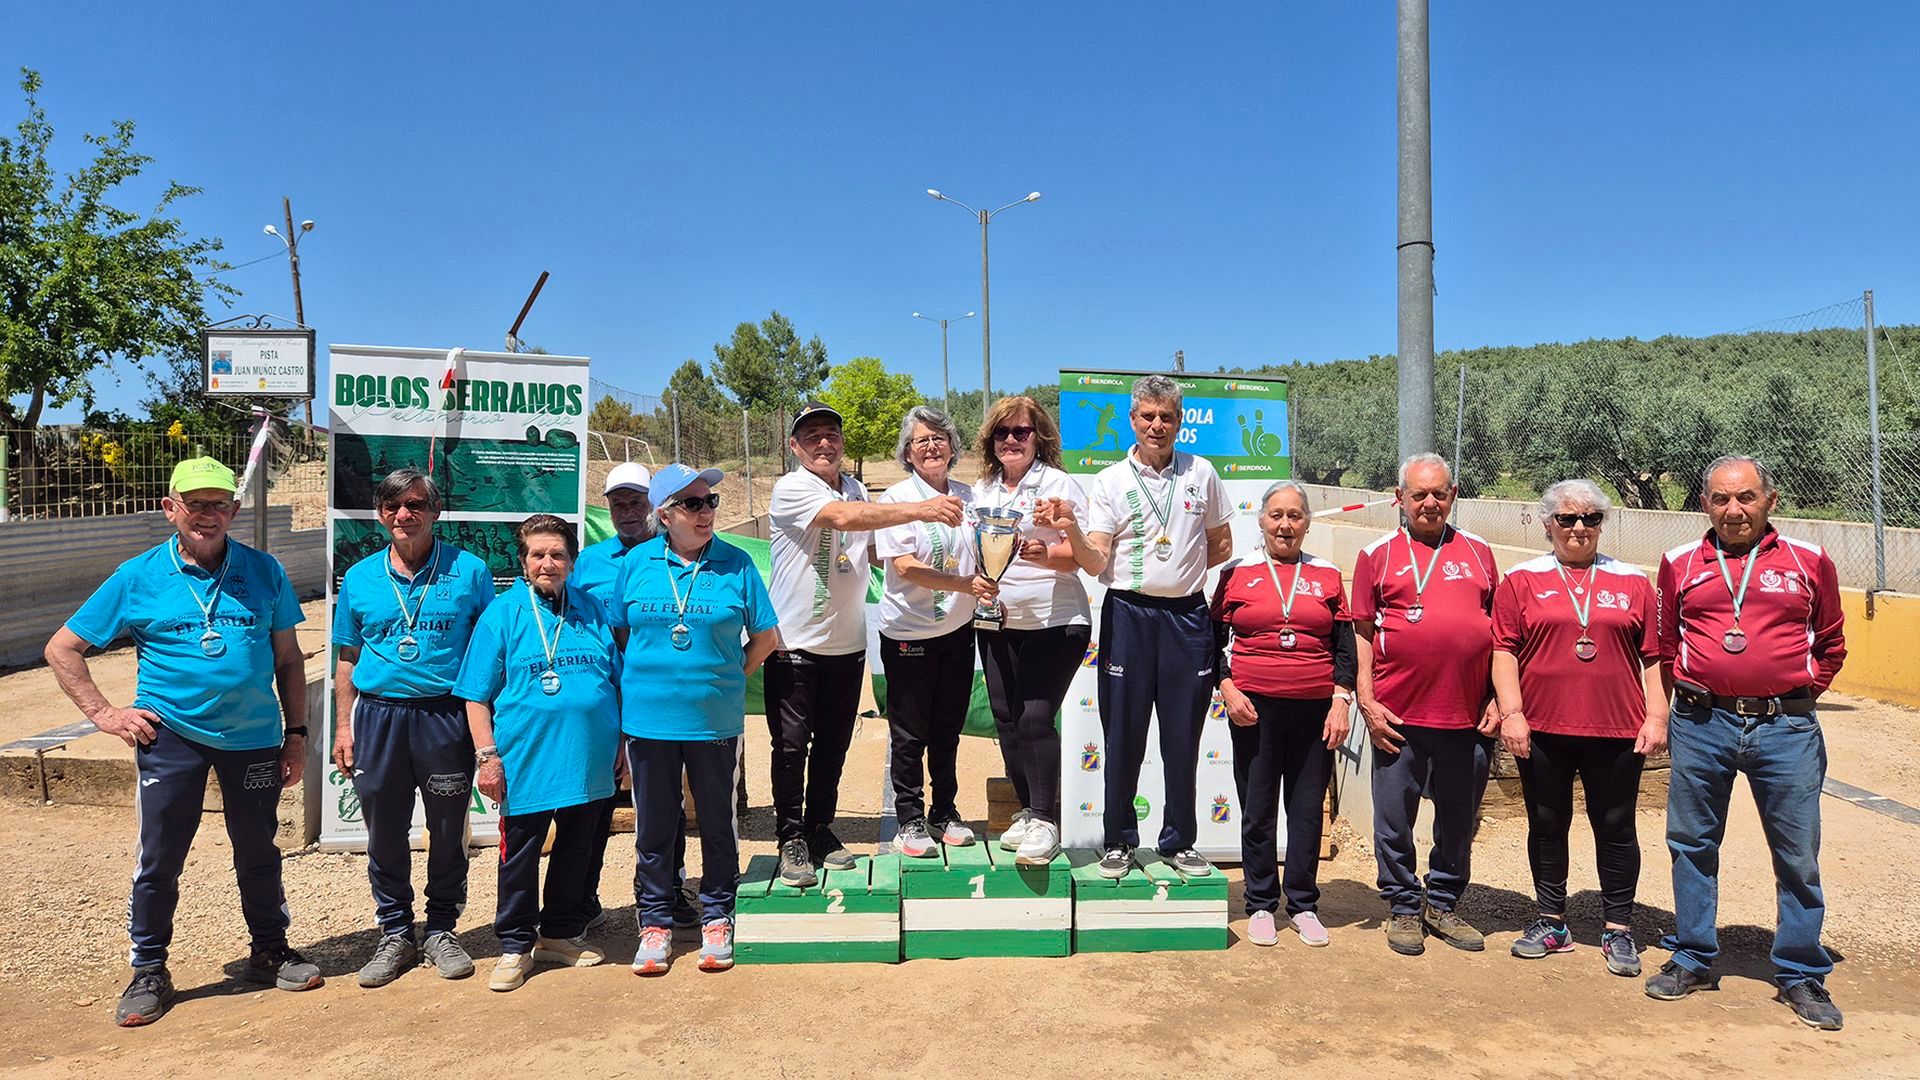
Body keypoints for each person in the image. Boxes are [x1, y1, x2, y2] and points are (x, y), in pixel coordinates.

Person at [44, 457, 320, 1027]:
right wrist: (104, 714)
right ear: (172, 509)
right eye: (196, 504)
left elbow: (289, 658)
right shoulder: (137, 575)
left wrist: (296, 735)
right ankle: (149, 969)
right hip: (171, 736)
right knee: (161, 857)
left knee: (259, 849)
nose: (209, 515)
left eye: (220, 504)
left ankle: (269, 949)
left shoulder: (264, 570)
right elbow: (62, 647)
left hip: (253, 739)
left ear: (235, 511)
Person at [1647, 455, 1847, 1030]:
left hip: (1786, 728)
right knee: (1691, 842)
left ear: (1770, 500)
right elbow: (1665, 644)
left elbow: (1831, 640)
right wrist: (1677, 709)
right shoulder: (1679, 562)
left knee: (1796, 854)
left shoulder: (1809, 560)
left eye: (1746, 497)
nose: (1733, 510)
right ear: (1704, 503)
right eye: (1719, 499)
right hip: (1701, 724)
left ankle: (1798, 971)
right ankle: (1693, 956)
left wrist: (1798, 691)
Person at [764, 401, 964, 887]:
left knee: (833, 746)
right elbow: (843, 520)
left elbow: (872, 547)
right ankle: (790, 835)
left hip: (848, 644)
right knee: (792, 747)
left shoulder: (854, 487)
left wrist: (915, 566)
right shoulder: (793, 488)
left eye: (831, 433)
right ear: (795, 446)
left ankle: (819, 828)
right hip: (794, 643)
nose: (824, 442)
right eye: (811, 435)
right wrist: (919, 508)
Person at [1491, 479, 1665, 976]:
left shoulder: (1632, 581)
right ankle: (1551, 920)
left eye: (1590, 518)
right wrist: (1513, 712)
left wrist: (1656, 716)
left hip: (1615, 728)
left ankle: (1618, 928)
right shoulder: (1521, 580)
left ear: (1602, 524)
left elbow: (1653, 656)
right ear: (1547, 524)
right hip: (1542, 726)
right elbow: (1503, 649)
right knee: (1547, 824)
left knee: (1615, 826)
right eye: (1567, 519)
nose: (1579, 528)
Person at [612, 465, 782, 973]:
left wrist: (729, 674)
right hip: (649, 721)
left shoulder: (736, 564)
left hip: (714, 721)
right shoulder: (638, 563)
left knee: (717, 822)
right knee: (655, 826)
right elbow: (622, 634)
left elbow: (767, 638)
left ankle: (716, 915)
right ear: (664, 513)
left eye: (709, 502)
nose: (706, 512)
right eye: (692, 504)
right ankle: (657, 922)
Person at [332, 468, 494, 987]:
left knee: (447, 829)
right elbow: (346, 659)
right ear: (380, 515)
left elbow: (491, 651)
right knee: (384, 829)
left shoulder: (470, 572)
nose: (405, 515)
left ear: (435, 511)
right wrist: (342, 727)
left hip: (445, 716)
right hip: (378, 716)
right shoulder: (358, 578)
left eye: (417, 504)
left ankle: (442, 929)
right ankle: (396, 931)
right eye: (392, 506)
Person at [455, 514, 621, 992]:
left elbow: (613, 677)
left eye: (558, 554)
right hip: (527, 758)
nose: (548, 563)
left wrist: (623, 745)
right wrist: (487, 756)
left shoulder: (590, 608)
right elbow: (474, 695)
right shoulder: (502, 614)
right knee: (520, 853)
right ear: (523, 562)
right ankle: (513, 944)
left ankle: (559, 934)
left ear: (571, 560)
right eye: (537, 555)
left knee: (578, 847)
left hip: (590, 755)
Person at [1082, 375, 1235, 879]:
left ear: (1180, 420)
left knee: (1182, 736)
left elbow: (1222, 544)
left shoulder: (1202, 472)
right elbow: (1098, 552)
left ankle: (1178, 841)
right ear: (1133, 420)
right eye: (1147, 416)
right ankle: (1119, 840)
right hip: (1128, 613)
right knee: (1123, 733)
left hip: (1187, 617)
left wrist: (1178, 578)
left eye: (1166, 416)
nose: (1157, 425)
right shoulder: (1109, 481)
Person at [1352, 452, 1500, 955]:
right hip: (1398, 715)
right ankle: (1402, 906)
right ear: (1400, 499)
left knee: (1458, 818)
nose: (1430, 502)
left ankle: (1441, 903)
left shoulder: (1479, 552)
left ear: (1453, 495)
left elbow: (1500, 634)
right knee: (1394, 818)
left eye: (1440, 493)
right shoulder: (1377, 554)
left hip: (1466, 715)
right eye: (1419, 494)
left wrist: (1499, 699)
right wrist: (1366, 701)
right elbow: (1363, 634)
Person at [1210, 481, 1353, 947]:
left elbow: (1345, 647)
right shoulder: (1237, 573)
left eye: (1295, 515)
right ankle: (1260, 903)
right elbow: (1211, 643)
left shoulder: (1328, 574)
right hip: (1254, 709)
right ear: (1261, 520)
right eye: (1276, 515)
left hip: (1314, 711)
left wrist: (1340, 700)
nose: (1285, 524)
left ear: (1308, 522)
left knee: (1308, 810)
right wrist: (1227, 688)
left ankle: (1305, 904)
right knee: (1258, 808)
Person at [571, 463, 699, 931]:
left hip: (658, 697)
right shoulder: (588, 562)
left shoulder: (681, 555)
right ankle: (583, 899)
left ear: (657, 506)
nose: (627, 511)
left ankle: (667, 889)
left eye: (637, 501)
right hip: (602, 698)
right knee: (595, 801)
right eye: (618, 503)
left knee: (664, 799)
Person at [977, 395, 1100, 865]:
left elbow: (1085, 557)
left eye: (1021, 432)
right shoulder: (984, 489)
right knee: (1007, 721)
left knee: (1033, 718)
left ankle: (1047, 819)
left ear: (1038, 437)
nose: (1011, 440)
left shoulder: (1059, 485)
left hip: (1056, 621)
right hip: (996, 621)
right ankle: (1029, 810)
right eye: (1002, 433)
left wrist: (1045, 554)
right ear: (990, 441)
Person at [874, 407, 997, 858]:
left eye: (939, 439)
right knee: (909, 732)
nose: (931, 446)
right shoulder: (896, 499)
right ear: (908, 451)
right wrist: (964, 584)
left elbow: (989, 547)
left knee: (948, 729)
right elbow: (904, 566)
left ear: (952, 448)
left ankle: (944, 811)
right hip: (909, 633)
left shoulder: (970, 496)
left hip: (958, 630)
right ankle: (908, 817)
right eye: (921, 440)